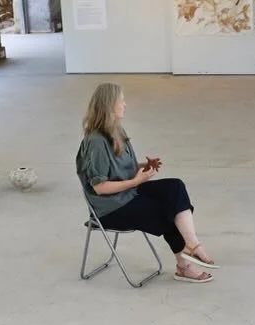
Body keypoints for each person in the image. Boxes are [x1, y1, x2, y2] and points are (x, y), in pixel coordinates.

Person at [76, 82, 216, 283]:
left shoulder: (117, 130)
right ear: (109, 105)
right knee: (165, 209)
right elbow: (100, 187)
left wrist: (143, 166)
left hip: (128, 193)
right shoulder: (96, 142)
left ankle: (191, 245)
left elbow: (120, 168)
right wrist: (136, 181)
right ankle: (185, 265)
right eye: (121, 101)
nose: (125, 104)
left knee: (174, 187)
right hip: (111, 209)